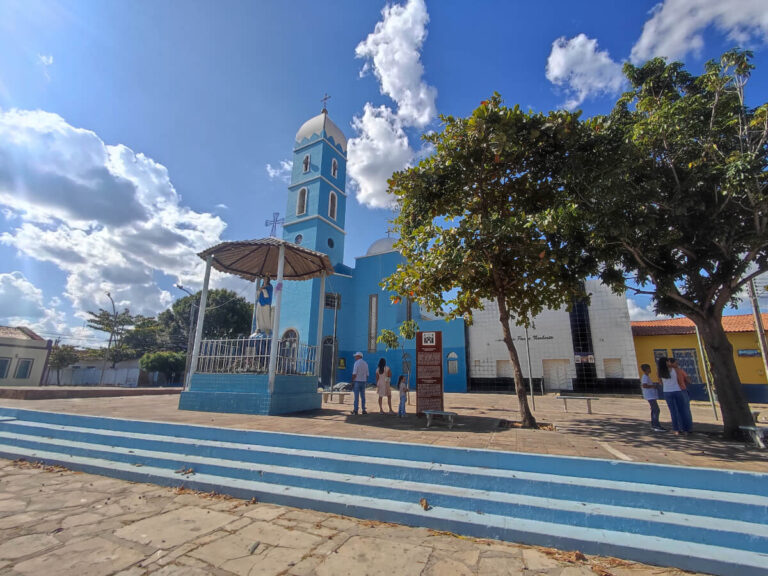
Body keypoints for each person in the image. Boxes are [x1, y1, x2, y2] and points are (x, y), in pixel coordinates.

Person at [657, 357, 693, 435]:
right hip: (677, 390)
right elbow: (679, 380)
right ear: (667, 362)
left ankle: (676, 429)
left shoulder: (660, 372)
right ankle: (686, 429)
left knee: (673, 411)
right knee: (682, 410)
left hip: (667, 392)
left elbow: (660, 383)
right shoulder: (674, 370)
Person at [668, 357, 693, 430]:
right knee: (686, 410)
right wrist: (684, 384)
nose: (677, 364)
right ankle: (688, 428)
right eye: (676, 363)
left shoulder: (667, 372)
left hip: (672, 391)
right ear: (672, 363)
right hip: (683, 390)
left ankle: (680, 427)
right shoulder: (680, 371)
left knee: (676, 410)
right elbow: (689, 380)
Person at [640, 363, 665, 432]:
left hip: (651, 395)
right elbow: (644, 385)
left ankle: (654, 424)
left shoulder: (647, 376)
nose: (650, 370)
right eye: (649, 368)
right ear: (646, 369)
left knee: (654, 410)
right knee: (656, 410)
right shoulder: (645, 377)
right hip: (650, 396)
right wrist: (653, 386)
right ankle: (656, 426)